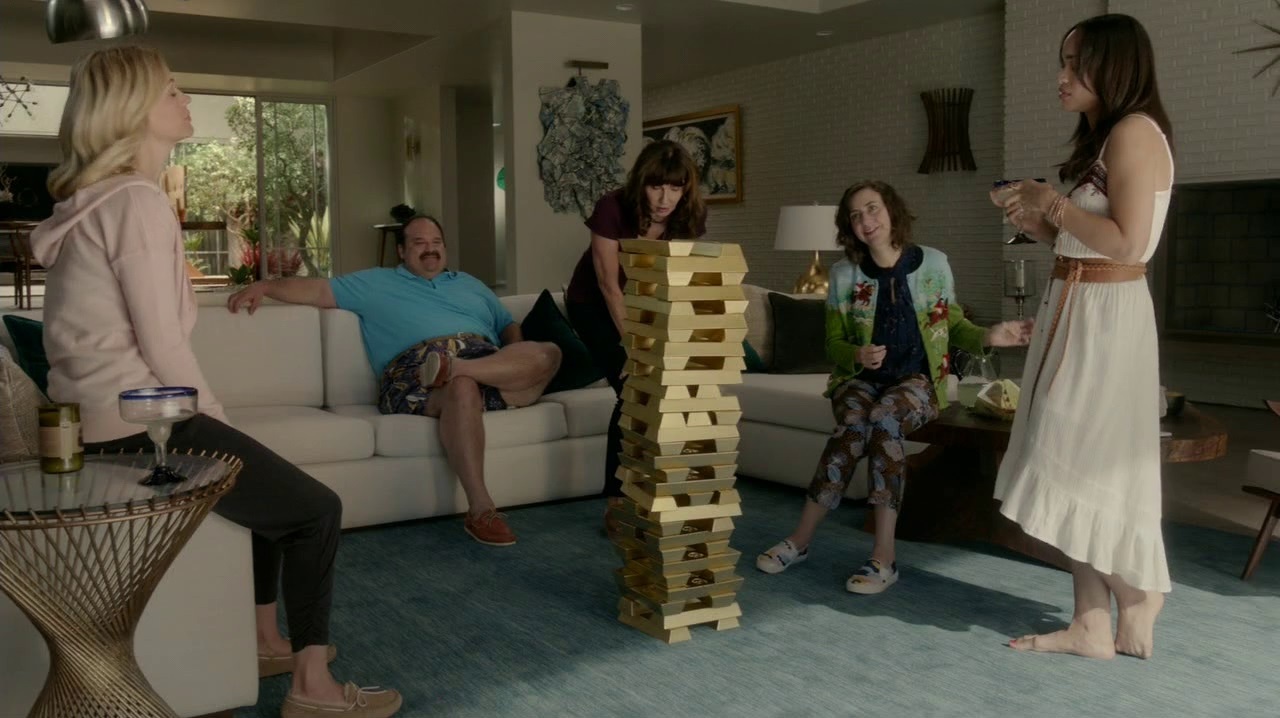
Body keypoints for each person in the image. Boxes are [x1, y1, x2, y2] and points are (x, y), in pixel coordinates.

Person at [30, 46, 401, 718]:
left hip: (99, 427)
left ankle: (263, 642)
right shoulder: (136, 202)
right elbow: (162, 343)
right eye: (171, 89)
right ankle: (313, 689)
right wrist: (219, 420)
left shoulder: (98, 203)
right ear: (135, 109)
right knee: (316, 512)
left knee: (267, 493)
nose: (186, 99)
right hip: (141, 427)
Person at [991, 13, 1175, 659]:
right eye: (1062, 61)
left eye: (1075, 62)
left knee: (1065, 456)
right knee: (1066, 461)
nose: (1062, 76)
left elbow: (1127, 242)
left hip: (1105, 319)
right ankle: (1091, 623)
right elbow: (1090, 240)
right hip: (1080, 306)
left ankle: (1136, 592)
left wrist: (1052, 202)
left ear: (1114, 65)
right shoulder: (1109, 137)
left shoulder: (1134, 132)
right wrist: (1041, 224)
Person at [756, 180, 1033, 594]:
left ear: (891, 210)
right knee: (853, 425)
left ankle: (883, 558)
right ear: (849, 227)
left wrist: (991, 336)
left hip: (917, 381)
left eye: (873, 208)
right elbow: (833, 344)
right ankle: (800, 540)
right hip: (859, 381)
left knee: (884, 419)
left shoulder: (934, 264)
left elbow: (953, 325)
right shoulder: (844, 274)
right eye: (855, 215)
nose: (866, 220)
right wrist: (857, 354)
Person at [228, 215, 561, 547]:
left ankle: (456, 368)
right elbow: (317, 289)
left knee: (548, 353)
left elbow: (506, 324)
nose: (430, 249)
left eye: (436, 242)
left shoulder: (470, 284)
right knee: (463, 388)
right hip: (415, 370)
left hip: (483, 362)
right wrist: (266, 286)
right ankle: (482, 509)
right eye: (419, 243)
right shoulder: (376, 282)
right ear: (401, 251)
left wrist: (512, 355)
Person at [563, 140, 707, 530]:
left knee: (666, 391)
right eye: (656, 186)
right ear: (641, 182)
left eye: (675, 188)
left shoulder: (689, 214)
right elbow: (609, 285)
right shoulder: (612, 207)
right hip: (593, 304)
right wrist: (636, 349)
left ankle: (657, 491)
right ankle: (617, 502)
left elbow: (677, 279)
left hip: (647, 302)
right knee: (633, 389)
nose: (665, 198)